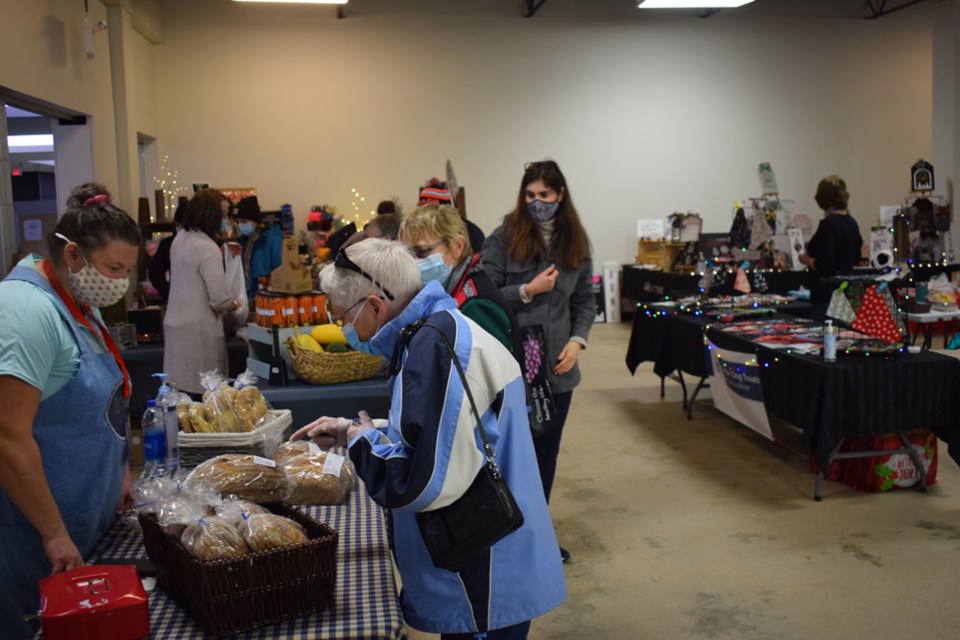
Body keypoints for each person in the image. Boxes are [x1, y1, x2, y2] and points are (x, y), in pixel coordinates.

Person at [291, 239, 565, 639]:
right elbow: (449, 430)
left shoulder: (435, 348)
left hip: (483, 571)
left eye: (341, 316)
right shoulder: (437, 331)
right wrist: (365, 430)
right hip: (489, 557)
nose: (342, 328)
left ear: (374, 305)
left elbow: (421, 483)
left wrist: (360, 439)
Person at [0, 183, 140, 638]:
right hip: (32, 533)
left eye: (129, 270)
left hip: (85, 519)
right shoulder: (25, 310)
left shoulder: (77, 299)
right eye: (114, 268)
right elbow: (8, 435)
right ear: (74, 256)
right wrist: (53, 532)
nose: (121, 281)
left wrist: (118, 471)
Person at [480, 160, 595, 562]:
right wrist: (527, 289)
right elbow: (484, 292)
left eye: (544, 195)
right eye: (530, 195)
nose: (536, 202)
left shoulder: (576, 242)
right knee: (511, 453)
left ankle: (536, 535)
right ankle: (504, 533)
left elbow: (585, 301)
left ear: (559, 195)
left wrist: (578, 342)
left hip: (558, 374)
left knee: (546, 455)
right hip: (512, 369)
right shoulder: (504, 236)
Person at [399, 202, 519, 357]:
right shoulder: (452, 291)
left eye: (422, 252)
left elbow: (495, 374)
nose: (415, 261)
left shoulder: (475, 304)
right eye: (409, 254)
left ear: (457, 246)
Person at [163, 189, 242, 395]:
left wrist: (222, 249)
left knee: (179, 394)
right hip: (199, 332)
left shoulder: (180, 239)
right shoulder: (207, 248)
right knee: (205, 396)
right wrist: (234, 304)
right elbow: (219, 299)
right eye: (223, 214)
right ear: (211, 214)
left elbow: (191, 270)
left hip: (176, 326)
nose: (225, 219)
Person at [799, 175, 863, 312]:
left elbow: (825, 266)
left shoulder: (828, 225)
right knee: (845, 332)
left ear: (821, 199)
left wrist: (806, 260)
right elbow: (857, 258)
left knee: (828, 331)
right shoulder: (852, 223)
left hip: (827, 295)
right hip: (848, 292)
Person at [234, 195, 283, 301]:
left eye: (244, 221)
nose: (240, 225)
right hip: (248, 297)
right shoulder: (243, 241)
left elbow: (279, 270)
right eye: (237, 222)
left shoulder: (273, 240)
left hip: (268, 298)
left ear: (256, 221)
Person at [146, 200, 186, 303]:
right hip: (176, 298)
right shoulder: (168, 244)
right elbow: (154, 271)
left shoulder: (201, 244)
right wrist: (167, 292)